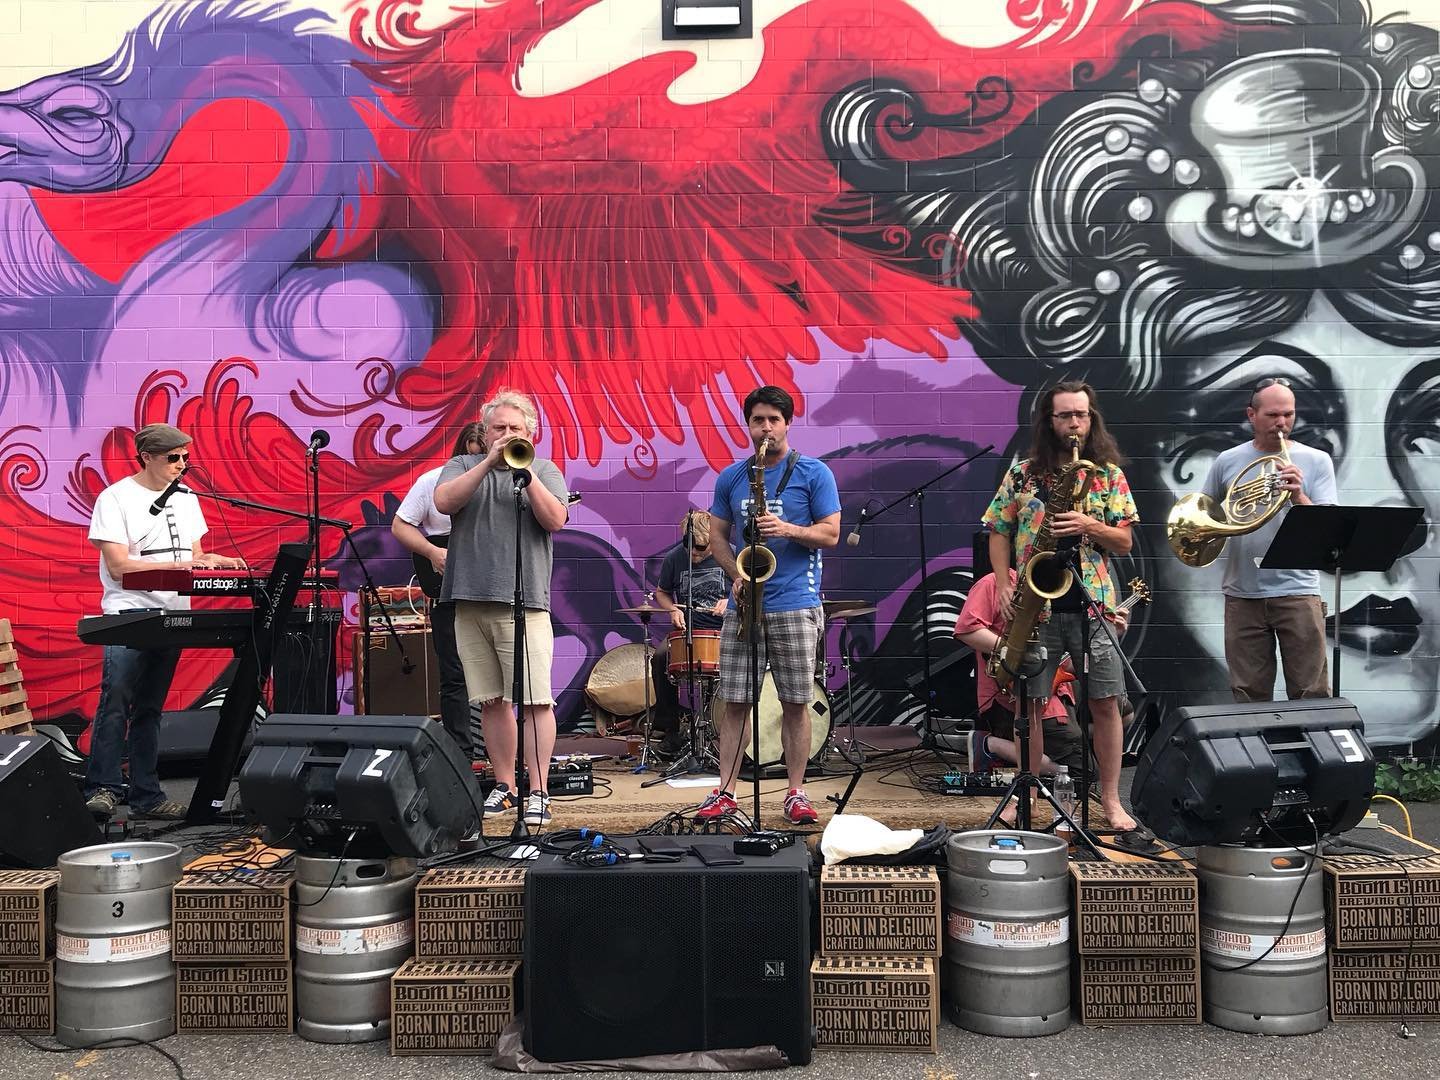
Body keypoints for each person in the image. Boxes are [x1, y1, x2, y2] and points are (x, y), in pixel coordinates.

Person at [816, 0, 1440, 746]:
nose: (1389, 494)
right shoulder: (1056, 473)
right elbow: (1058, 532)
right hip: (1106, 602)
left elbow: (1143, 535)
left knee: (1191, 697)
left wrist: (1108, 528)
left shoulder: (1134, 475)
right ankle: (1055, 776)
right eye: (1252, 412)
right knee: (1056, 699)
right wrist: (1017, 574)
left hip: (1168, 597)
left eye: (1431, 423)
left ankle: (1291, 779)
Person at [982, 382, 1140, 833]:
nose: (1074, 424)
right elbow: (998, 529)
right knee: (1029, 704)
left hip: (1093, 605)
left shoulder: (1107, 475)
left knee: (1106, 702)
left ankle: (1109, 800)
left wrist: (1091, 524)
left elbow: (1125, 541)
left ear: (1092, 419)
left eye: (1082, 415)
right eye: (1065, 416)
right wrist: (1001, 583)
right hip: (1037, 603)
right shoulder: (1023, 474)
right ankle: (1024, 794)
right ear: (1048, 422)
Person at [84, 423, 245, 820]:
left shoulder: (187, 498)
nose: (181, 464)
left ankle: (147, 796)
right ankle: (103, 787)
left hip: (172, 611)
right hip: (128, 611)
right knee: (117, 699)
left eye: (186, 457)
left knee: (150, 708)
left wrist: (212, 561)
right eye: (173, 458)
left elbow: (195, 554)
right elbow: (120, 567)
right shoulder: (115, 498)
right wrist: (179, 563)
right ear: (147, 457)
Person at [699, 385, 841, 825]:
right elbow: (718, 536)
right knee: (735, 701)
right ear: (748, 424)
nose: (766, 428)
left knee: (795, 702)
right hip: (746, 605)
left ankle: (795, 792)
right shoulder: (732, 477)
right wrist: (736, 574)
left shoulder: (814, 473)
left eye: (773, 420)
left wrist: (787, 529)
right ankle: (726, 792)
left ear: (787, 424)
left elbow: (832, 533)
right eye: (758, 420)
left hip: (796, 603)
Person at [434, 391, 569, 829]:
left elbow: (555, 520)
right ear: (485, 430)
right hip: (469, 599)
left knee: (534, 701)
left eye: (515, 429)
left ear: (530, 433)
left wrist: (527, 474)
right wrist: (488, 463)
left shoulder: (544, 470)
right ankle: (506, 785)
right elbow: (444, 503)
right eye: (499, 428)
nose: (506, 435)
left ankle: (540, 790)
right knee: (491, 702)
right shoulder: (462, 466)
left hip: (524, 601)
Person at [1200, 378, 1337, 701]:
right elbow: (1203, 515)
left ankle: (1312, 752)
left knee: (1310, 691)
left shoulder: (1316, 461)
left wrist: (1298, 496)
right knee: (1248, 692)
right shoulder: (1228, 460)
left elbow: (1327, 530)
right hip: (1242, 593)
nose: (1282, 423)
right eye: (1273, 415)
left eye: (1288, 415)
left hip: (1298, 591)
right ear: (1251, 415)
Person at [391, 421, 485, 757]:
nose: (473, 466)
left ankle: (497, 749)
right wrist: (432, 552)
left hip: (489, 590)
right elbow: (400, 525)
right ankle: (462, 749)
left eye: (481, 459)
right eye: (468, 458)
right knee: (454, 670)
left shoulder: (501, 486)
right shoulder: (432, 482)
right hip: (447, 590)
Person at [651, 509, 730, 753]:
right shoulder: (675, 558)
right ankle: (671, 731)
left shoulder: (731, 554)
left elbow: (751, 586)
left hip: (726, 630)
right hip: (689, 630)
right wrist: (673, 609)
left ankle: (726, 736)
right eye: (691, 549)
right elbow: (661, 592)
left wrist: (732, 602)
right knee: (661, 658)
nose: (695, 554)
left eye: (701, 549)